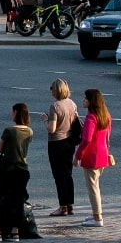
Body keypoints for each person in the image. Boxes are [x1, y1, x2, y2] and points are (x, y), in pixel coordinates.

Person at [0, 102, 33, 243]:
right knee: (16, 201)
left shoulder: (9, 131)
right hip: (23, 171)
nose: (11, 114)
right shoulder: (29, 131)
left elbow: (0, 147)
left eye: (12, 112)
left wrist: (0, 147)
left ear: (16, 113)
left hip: (9, 171)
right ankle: (14, 232)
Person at [74, 88, 112, 227]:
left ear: (91, 102)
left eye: (85, 99)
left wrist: (77, 156)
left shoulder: (91, 117)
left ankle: (97, 218)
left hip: (91, 155)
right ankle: (96, 213)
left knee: (92, 187)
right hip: (102, 154)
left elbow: (86, 140)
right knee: (95, 185)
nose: (83, 101)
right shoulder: (106, 115)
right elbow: (107, 136)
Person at [41, 78, 78, 217]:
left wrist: (45, 119)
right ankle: (70, 205)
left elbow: (51, 129)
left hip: (57, 143)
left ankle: (62, 206)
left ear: (56, 90)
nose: (51, 90)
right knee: (68, 174)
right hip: (69, 142)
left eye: (52, 88)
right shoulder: (72, 104)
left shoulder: (55, 106)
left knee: (58, 175)